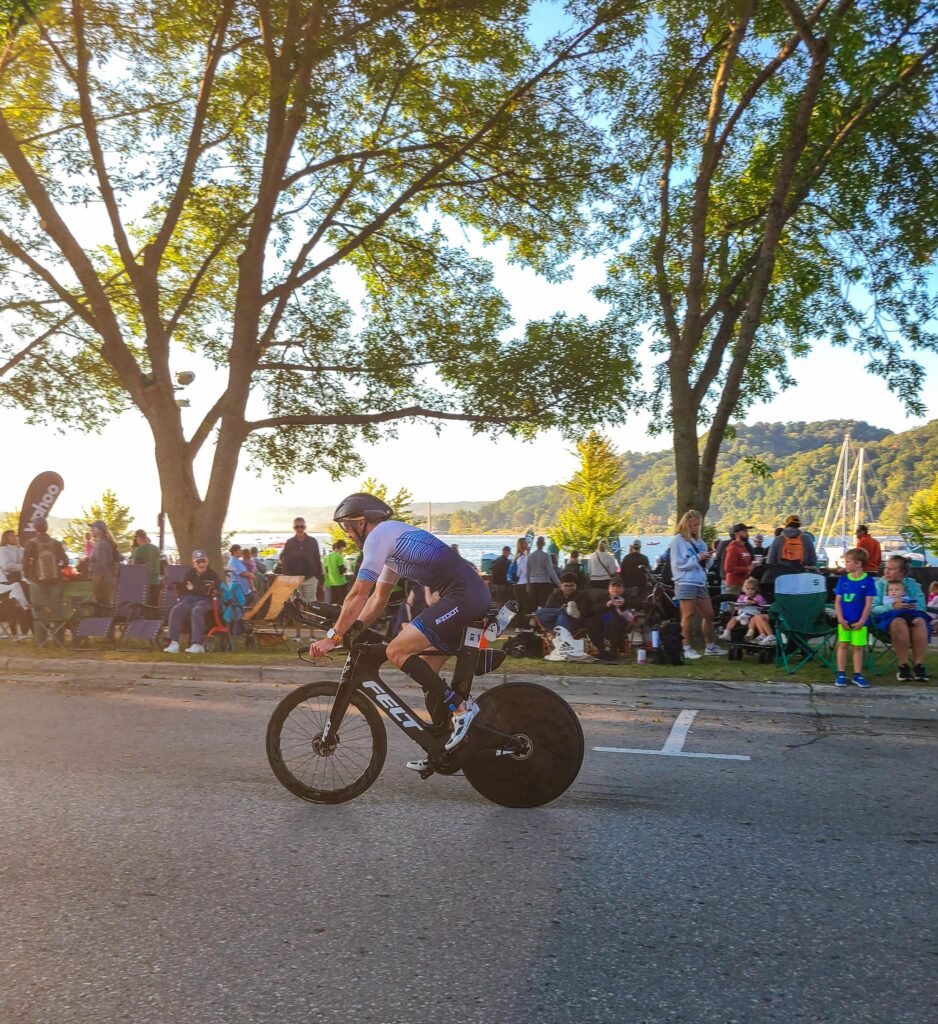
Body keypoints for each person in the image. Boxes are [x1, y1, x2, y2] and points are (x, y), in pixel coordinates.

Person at [308, 493, 491, 772]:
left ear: (362, 522)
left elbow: (358, 593)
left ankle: (461, 709)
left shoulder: (379, 535)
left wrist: (333, 637)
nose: (347, 532)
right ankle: (441, 745)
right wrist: (352, 630)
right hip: (465, 596)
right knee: (428, 673)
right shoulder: (390, 545)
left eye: (348, 525)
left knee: (396, 650)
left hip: (463, 597)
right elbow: (377, 600)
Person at [669, 509, 724, 659]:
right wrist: (697, 557)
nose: (696, 528)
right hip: (685, 581)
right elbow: (679, 564)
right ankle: (685, 647)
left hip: (699, 580)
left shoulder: (700, 542)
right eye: (694, 525)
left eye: (698, 525)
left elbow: (704, 564)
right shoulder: (678, 541)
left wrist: (708, 558)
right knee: (688, 615)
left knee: (709, 614)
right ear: (687, 524)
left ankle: (710, 646)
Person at [872, 555, 929, 681]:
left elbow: (922, 605)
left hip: (912, 615)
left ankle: (919, 666)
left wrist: (912, 606)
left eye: (891, 569)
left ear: (902, 572)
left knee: (919, 622)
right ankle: (903, 666)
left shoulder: (912, 585)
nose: (886, 571)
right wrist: (892, 606)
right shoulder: (879, 585)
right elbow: (873, 607)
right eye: (886, 568)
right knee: (899, 621)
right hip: (889, 619)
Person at [833, 547, 877, 688]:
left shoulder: (868, 581)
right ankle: (841, 673)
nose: (845, 564)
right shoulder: (843, 580)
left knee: (858, 647)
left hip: (859, 621)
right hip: (844, 620)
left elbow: (868, 603)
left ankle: (857, 674)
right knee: (843, 645)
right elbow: (838, 601)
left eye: (847, 562)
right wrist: (840, 618)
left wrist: (862, 620)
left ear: (857, 563)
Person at [163, 550, 220, 655]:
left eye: (203, 561)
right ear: (194, 563)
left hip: (206, 602)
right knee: (176, 609)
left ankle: (197, 644)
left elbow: (208, 592)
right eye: (198, 562)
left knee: (197, 610)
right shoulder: (189, 574)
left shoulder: (212, 575)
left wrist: (193, 588)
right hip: (189, 600)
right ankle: (174, 643)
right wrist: (196, 589)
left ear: (207, 561)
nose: (201, 564)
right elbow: (184, 589)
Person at [583, 575, 634, 661]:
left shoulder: (628, 597)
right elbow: (593, 609)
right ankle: (601, 650)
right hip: (604, 617)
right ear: (609, 588)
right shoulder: (603, 597)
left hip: (621, 618)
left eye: (618, 586)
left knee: (615, 621)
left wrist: (624, 603)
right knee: (590, 621)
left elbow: (635, 607)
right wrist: (606, 605)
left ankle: (612, 651)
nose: (615, 588)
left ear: (623, 589)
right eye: (613, 586)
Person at [764, 514, 817, 585]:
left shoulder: (778, 539)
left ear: (786, 525)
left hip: (781, 578)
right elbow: (813, 561)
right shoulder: (806, 539)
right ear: (799, 525)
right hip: (801, 579)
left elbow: (770, 561)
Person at [280, 517, 323, 603]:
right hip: (294, 579)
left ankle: (310, 617)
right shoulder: (289, 543)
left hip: (310, 578)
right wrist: (288, 578)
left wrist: (319, 578)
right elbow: (285, 562)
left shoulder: (312, 541)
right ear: (294, 528)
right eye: (297, 527)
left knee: (311, 604)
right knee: (296, 604)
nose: (299, 529)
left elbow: (317, 559)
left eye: (302, 527)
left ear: (305, 527)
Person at [720, 577, 773, 645]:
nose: (750, 591)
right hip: (743, 614)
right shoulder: (742, 597)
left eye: (752, 589)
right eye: (748, 589)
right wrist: (738, 606)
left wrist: (754, 602)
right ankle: (727, 632)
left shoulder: (758, 597)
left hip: (753, 614)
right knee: (733, 618)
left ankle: (750, 633)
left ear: (756, 590)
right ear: (744, 589)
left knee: (753, 619)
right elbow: (737, 605)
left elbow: (763, 604)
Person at [87, 520, 120, 610]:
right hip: (107, 580)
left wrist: (94, 583)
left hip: (103, 582)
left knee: (102, 609)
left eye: (93, 528)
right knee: (105, 608)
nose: (91, 530)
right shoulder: (106, 543)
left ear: (100, 531)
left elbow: (100, 566)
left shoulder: (101, 545)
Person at [527, 535, 560, 610]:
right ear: (544, 544)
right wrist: (559, 583)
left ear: (536, 543)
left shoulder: (530, 556)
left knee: (533, 606)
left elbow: (528, 572)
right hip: (544, 583)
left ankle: (533, 620)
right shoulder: (546, 555)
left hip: (533, 584)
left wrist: (528, 586)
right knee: (544, 605)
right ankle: (541, 621)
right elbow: (551, 571)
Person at [131, 529, 161, 605]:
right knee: (154, 605)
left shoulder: (139, 550)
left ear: (138, 538)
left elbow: (134, 567)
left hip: (144, 583)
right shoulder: (156, 549)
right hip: (156, 581)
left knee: (144, 606)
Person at [723, 523, 755, 595]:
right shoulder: (733, 548)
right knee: (735, 605)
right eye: (744, 531)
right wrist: (747, 568)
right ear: (736, 534)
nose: (747, 533)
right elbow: (728, 568)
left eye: (747, 531)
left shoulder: (744, 547)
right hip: (734, 585)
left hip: (744, 584)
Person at [509, 536, 529, 623]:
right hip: (523, 584)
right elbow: (525, 571)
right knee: (524, 606)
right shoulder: (523, 557)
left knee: (518, 606)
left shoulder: (516, 556)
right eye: (526, 543)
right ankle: (522, 625)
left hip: (516, 584)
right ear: (522, 545)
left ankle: (518, 625)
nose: (527, 544)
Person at [323, 539, 349, 604]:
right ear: (341, 547)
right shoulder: (339, 556)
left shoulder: (327, 556)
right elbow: (341, 571)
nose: (343, 550)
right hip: (340, 582)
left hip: (331, 583)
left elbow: (326, 570)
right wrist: (346, 568)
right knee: (342, 602)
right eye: (343, 548)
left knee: (334, 602)